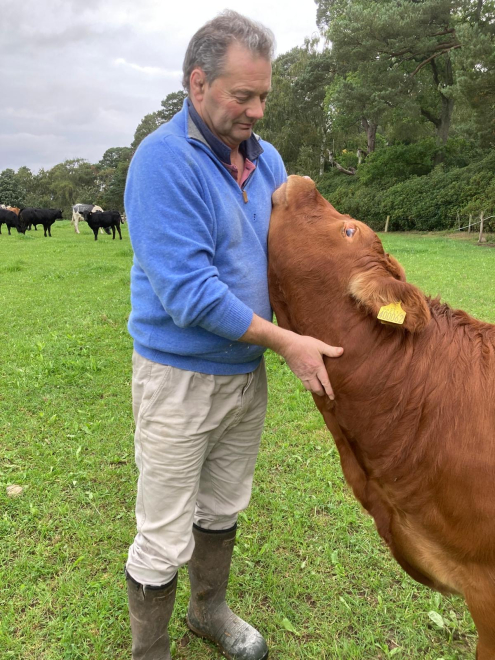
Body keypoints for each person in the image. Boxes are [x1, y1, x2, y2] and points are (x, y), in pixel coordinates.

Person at [124, 10, 343, 660]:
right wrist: (285, 342)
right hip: (178, 380)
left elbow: (288, 255)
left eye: (263, 97)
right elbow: (188, 294)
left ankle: (208, 612)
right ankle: (149, 652)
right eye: (241, 96)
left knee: (221, 507)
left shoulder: (266, 159)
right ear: (198, 85)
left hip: (243, 373)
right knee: (162, 533)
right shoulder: (163, 163)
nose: (255, 110)